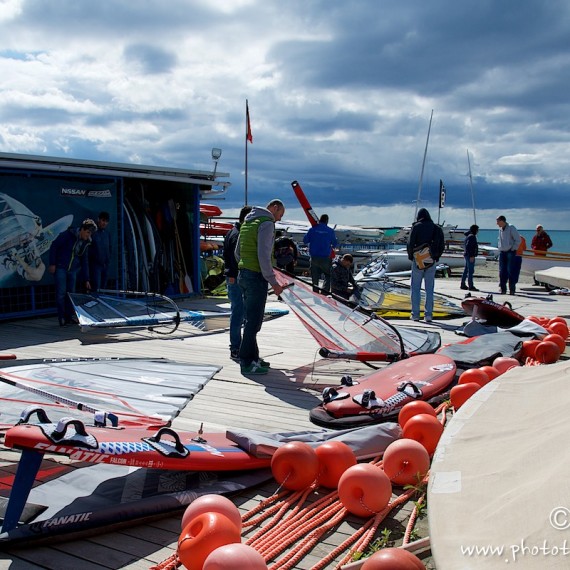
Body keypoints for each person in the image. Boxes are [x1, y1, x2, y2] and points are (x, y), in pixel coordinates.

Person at [236, 199, 285, 375]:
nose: (278, 219)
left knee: (251, 319)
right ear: (275, 208)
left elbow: (237, 252)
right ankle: (247, 361)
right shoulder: (266, 223)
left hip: (243, 274)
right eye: (280, 215)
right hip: (256, 276)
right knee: (254, 322)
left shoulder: (247, 222)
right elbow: (263, 255)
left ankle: (254, 357)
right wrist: (273, 281)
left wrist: (244, 266)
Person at [48, 218, 97, 326]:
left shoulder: (85, 243)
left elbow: (85, 260)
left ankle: (69, 316)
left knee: (71, 294)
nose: (88, 236)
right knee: (61, 293)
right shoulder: (68, 235)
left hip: (72, 270)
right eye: (88, 232)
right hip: (61, 267)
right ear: (82, 230)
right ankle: (61, 317)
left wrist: (87, 279)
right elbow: (54, 245)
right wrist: (52, 263)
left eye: (91, 234)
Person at [223, 205, 252, 361]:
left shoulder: (231, 232)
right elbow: (235, 259)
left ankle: (237, 346)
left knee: (238, 313)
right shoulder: (238, 234)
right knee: (238, 314)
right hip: (235, 278)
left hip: (232, 277)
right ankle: (235, 348)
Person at [406, 208, 445, 322]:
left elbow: (410, 243)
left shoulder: (416, 227)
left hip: (418, 260)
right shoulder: (436, 228)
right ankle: (428, 315)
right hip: (431, 260)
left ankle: (415, 314)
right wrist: (436, 257)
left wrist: (411, 256)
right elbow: (441, 244)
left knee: (415, 288)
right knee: (429, 289)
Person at [303, 214, 338, 292]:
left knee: (315, 278)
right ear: (327, 221)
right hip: (325, 257)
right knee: (328, 275)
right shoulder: (330, 231)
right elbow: (335, 243)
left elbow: (305, 240)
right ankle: (324, 292)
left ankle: (315, 294)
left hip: (314, 257)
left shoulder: (312, 229)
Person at [496, 215, 522, 295]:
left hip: (510, 251)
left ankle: (512, 289)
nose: (497, 224)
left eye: (498, 222)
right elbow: (500, 239)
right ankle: (503, 289)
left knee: (511, 271)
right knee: (502, 271)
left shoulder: (511, 227)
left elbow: (518, 239)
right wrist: (499, 248)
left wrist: (513, 248)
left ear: (502, 221)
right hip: (502, 252)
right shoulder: (500, 229)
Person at [89, 211, 112, 292]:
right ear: (98, 220)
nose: (104, 223)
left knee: (103, 288)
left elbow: (110, 248)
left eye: (106, 221)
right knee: (96, 288)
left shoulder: (107, 234)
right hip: (96, 266)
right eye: (103, 220)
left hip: (106, 265)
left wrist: (108, 260)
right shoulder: (92, 233)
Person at [460, 224, 479, 291]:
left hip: (466, 254)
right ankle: (470, 285)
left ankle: (463, 284)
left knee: (466, 270)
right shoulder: (472, 237)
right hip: (469, 255)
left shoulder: (468, 236)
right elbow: (469, 247)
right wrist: (471, 255)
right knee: (470, 271)